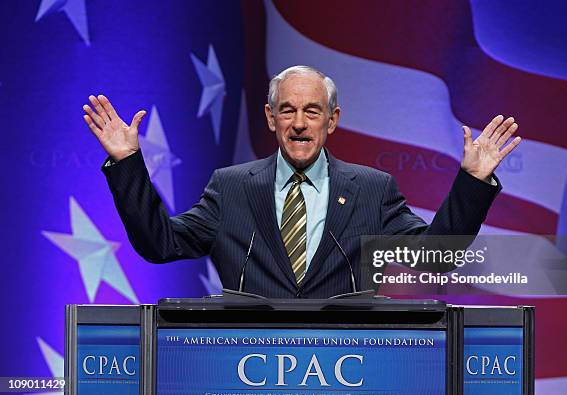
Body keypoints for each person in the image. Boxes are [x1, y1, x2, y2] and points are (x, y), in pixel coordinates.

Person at [82, 65, 521, 299]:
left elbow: (433, 258)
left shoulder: (372, 189)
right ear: (271, 118)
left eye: (312, 111)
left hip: (349, 370)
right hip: (247, 369)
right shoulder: (231, 187)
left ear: (332, 120)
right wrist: (127, 163)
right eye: (287, 111)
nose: (299, 124)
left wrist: (473, 182)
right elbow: (161, 244)